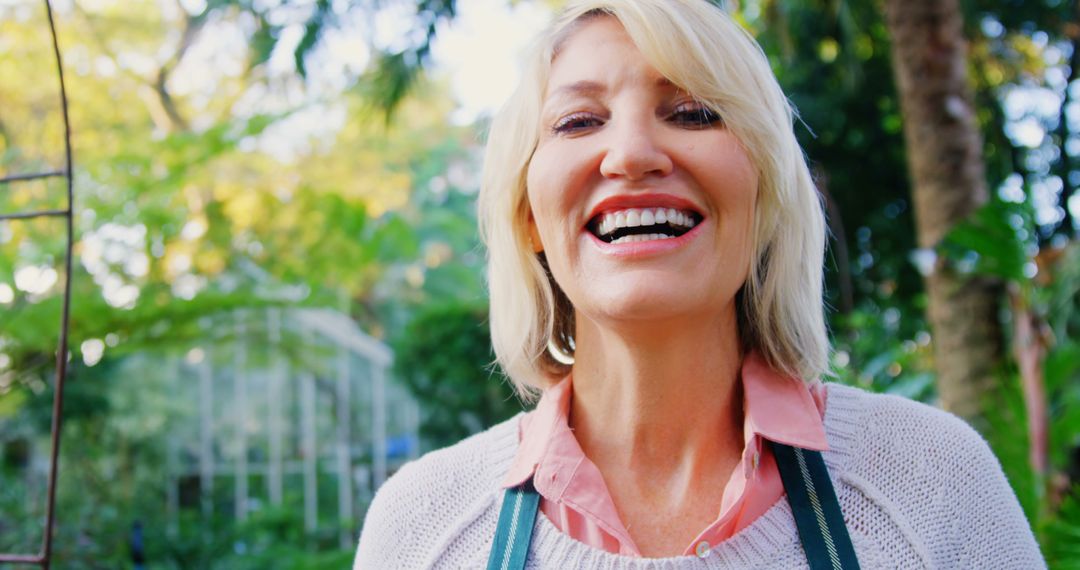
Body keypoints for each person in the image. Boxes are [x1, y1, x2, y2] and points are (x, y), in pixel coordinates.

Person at [355, 0, 1045, 567]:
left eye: (691, 112)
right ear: (528, 215)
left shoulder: (931, 484)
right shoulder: (424, 529)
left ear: (765, 193)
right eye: (578, 121)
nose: (630, 155)